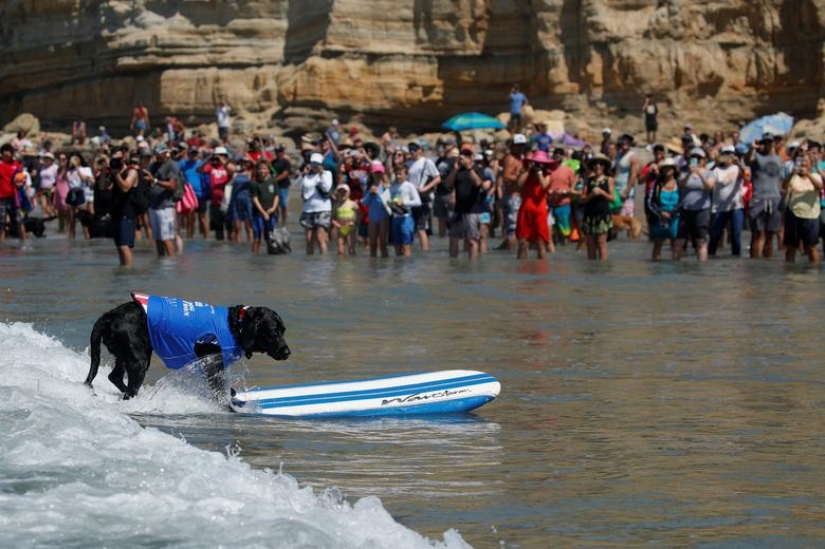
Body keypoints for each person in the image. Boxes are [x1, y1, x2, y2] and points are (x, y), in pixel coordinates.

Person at [746, 133, 783, 258]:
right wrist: (752, 148)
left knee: (770, 235)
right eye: (763, 142)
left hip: (775, 199)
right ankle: (754, 262)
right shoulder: (756, 156)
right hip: (759, 199)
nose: (766, 145)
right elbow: (747, 161)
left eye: (769, 142)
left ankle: (767, 264)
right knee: (757, 234)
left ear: (772, 144)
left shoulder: (778, 158)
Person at [442, 149, 485, 259]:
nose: (461, 160)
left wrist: (469, 168)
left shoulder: (478, 169)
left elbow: (478, 183)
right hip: (458, 210)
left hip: (473, 211)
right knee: (453, 238)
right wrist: (455, 170)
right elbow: (447, 184)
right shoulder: (458, 170)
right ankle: (453, 264)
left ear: (470, 158)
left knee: (472, 240)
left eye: (464, 157)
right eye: (460, 157)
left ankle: (473, 264)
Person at [675, 148, 715, 262]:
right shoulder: (684, 172)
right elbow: (681, 184)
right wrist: (690, 173)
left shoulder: (709, 173)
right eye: (693, 158)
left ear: (704, 160)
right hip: (685, 209)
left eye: (698, 158)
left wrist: (700, 174)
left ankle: (701, 266)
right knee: (679, 241)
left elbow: (709, 187)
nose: (696, 160)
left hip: (702, 210)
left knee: (701, 241)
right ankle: (675, 265)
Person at [782, 151, 822, 263]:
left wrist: (808, 174)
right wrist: (791, 174)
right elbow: (784, 187)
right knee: (790, 247)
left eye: (806, 161)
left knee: (811, 247)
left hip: (811, 216)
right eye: (801, 161)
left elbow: (819, 186)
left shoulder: (816, 176)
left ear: (811, 164)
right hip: (793, 214)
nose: (803, 163)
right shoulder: (794, 177)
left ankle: (814, 269)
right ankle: (789, 270)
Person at [515, 150, 553, 260]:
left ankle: (542, 268)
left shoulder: (548, 174)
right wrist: (528, 170)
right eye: (537, 162)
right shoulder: (526, 173)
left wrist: (539, 172)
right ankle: (521, 267)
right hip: (526, 209)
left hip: (540, 210)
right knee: (523, 243)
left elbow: (544, 185)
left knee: (541, 243)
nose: (539, 164)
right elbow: (519, 184)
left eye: (541, 163)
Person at [708, 145, 744, 256]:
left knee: (736, 235)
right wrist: (715, 162)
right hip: (719, 207)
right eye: (726, 154)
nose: (729, 156)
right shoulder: (716, 170)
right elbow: (709, 182)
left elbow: (747, 176)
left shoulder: (737, 168)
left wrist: (739, 163)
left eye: (731, 154)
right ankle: (710, 257)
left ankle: (736, 259)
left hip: (736, 207)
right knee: (715, 235)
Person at [406, 142, 441, 251]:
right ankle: (414, 250)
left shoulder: (427, 162)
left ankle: (424, 252)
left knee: (421, 227)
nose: (412, 152)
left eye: (414, 149)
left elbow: (437, 178)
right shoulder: (409, 163)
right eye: (410, 149)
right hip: (412, 198)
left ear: (420, 150)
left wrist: (425, 188)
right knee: (414, 226)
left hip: (423, 198)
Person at [148, 144, 180, 257]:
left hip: (165, 206)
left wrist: (155, 181)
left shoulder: (171, 165)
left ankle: (171, 262)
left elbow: (172, 185)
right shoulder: (153, 165)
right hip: (153, 206)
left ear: (165, 153)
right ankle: (160, 262)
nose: (157, 156)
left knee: (166, 238)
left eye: (159, 154)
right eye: (155, 154)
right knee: (157, 238)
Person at [298, 152, 333, 255]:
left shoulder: (327, 174)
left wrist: (321, 174)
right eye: (312, 164)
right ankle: (310, 262)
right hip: (308, 209)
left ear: (321, 165)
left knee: (320, 237)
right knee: (309, 239)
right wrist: (303, 174)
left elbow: (326, 188)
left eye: (316, 165)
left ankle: (323, 260)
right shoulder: (307, 175)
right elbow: (298, 185)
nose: (314, 167)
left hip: (323, 208)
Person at [581, 153, 614, 261]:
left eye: (600, 164)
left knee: (601, 243)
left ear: (604, 166)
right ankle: (592, 269)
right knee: (590, 245)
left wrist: (602, 193)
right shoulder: (588, 180)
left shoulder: (609, 179)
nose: (598, 166)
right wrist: (591, 195)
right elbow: (582, 199)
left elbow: (612, 198)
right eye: (595, 164)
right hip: (589, 215)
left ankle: (602, 268)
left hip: (602, 215)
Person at [497, 134, 528, 250]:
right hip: (513, 197)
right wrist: (523, 180)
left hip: (519, 197)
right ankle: (511, 257)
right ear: (512, 146)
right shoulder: (510, 158)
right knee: (513, 230)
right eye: (518, 145)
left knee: (519, 229)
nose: (521, 148)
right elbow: (506, 176)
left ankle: (502, 251)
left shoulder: (521, 158)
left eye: (523, 145)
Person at [646, 158, 680, 261]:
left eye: (669, 168)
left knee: (675, 244)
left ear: (674, 170)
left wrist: (671, 213)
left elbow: (683, 201)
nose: (667, 170)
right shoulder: (657, 184)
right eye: (665, 168)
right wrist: (661, 213)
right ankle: (656, 266)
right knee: (658, 243)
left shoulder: (679, 183)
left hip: (675, 217)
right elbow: (650, 202)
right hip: (659, 217)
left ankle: (676, 267)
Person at [109, 151, 139, 266]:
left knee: (124, 246)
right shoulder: (113, 173)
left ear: (124, 158)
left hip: (127, 212)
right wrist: (104, 171)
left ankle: (129, 270)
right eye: (113, 159)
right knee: (119, 246)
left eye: (118, 159)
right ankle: (123, 271)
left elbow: (125, 188)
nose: (115, 161)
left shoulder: (132, 172)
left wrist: (116, 174)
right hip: (116, 212)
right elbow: (103, 186)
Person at [387, 164, 421, 257]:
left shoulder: (409, 186)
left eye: (400, 174)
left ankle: (407, 265)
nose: (398, 176)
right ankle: (398, 265)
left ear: (406, 174)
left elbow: (418, 202)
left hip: (406, 218)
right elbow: (387, 200)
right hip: (395, 218)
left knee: (406, 246)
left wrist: (404, 202)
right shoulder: (392, 186)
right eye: (396, 174)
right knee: (396, 246)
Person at [199, 146, 231, 240]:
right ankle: (219, 247)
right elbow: (199, 170)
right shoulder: (211, 166)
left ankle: (232, 246)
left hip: (227, 202)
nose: (218, 157)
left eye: (221, 155)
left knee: (230, 229)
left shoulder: (228, 166)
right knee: (218, 229)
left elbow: (232, 170)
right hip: (215, 202)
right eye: (217, 155)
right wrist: (208, 159)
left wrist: (222, 160)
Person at [547, 149, 577, 246]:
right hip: (549, 204)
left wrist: (564, 192)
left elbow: (573, 188)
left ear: (564, 156)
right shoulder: (548, 170)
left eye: (560, 154)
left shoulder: (568, 170)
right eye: (556, 153)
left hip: (564, 204)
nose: (558, 155)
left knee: (565, 232)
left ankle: (565, 250)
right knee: (550, 233)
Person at [361, 161, 390, 257]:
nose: (377, 175)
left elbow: (388, 204)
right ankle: (373, 265)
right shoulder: (368, 187)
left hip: (383, 217)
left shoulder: (385, 186)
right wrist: (370, 193)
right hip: (372, 218)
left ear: (382, 173)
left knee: (383, 244)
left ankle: (384, 264)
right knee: (372, 245)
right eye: (375, 173)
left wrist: (379, 194)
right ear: (371, 174)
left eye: (379, 172)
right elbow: (364, 203)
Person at [179, 146, 208, 238]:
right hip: (189, 195)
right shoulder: (183, 163)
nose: (194, 155)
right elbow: (174, 167)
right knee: (190, 218)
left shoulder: (202, 163)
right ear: (188, 154)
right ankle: (190, 238)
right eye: (192, 153)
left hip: (201, 194)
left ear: (198, 154)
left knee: (202, 218)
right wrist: (179, 155)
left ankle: (206, 239)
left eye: (195, 153)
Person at [251, 160, 279, 254]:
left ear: (268, 170)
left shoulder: (273, 181)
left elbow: (276, 196)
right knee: (257, 237)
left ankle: (269, 257)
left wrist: (273, 208)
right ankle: (254, 256)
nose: (262, 170)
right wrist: (263, 213)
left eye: (264, 168)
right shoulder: (254, 183)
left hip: (272, 212)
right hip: (258, 213)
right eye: (260, 169)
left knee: (270, 237)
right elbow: (255, 199)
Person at [65, 152, 94, 240]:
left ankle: (88, 239)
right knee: (71, 220)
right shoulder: (69, 171)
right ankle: (71, 240)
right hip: (72, 193)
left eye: (76, 159)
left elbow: (86, 180)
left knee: (84, 221)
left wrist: (77, 168)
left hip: (82, 193)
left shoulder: (86, 169)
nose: (74, 161)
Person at [227, 158, 254, 242]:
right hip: (235, 202)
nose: (243, 164)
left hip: (248, 201)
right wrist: (231, 160)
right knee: (237, 228)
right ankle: (237, 247)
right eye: (242, 162)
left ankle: (250, 245)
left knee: (248, 228)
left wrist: (251, 160)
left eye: (246, 163)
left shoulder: (251, 173)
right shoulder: (235, 173)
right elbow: (226, 166)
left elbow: (259, 166)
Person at [0, 143, 23, 241]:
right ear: (2, 153)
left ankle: (24, 244)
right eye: (7, 151)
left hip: (14, 197)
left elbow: (21, 178)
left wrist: (21, 182)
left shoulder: (16, 164)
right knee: (1, 223)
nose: (9, 153)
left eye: (11, 152)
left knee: (19, 221)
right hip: (1, 198)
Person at [331, 184, 359, 255]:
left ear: (349, 193)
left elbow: (359, 215)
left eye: (344, 192)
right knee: (340, 250)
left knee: (351, 248)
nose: (342, 194)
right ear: (337, 193)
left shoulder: (353, 204)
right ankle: (341, 261)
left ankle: (352, 261)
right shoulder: (336, 205)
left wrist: (353, 222)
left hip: (351, 229)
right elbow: (332, 218)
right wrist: (337, 225)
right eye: (340, 192)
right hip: (340, 229)